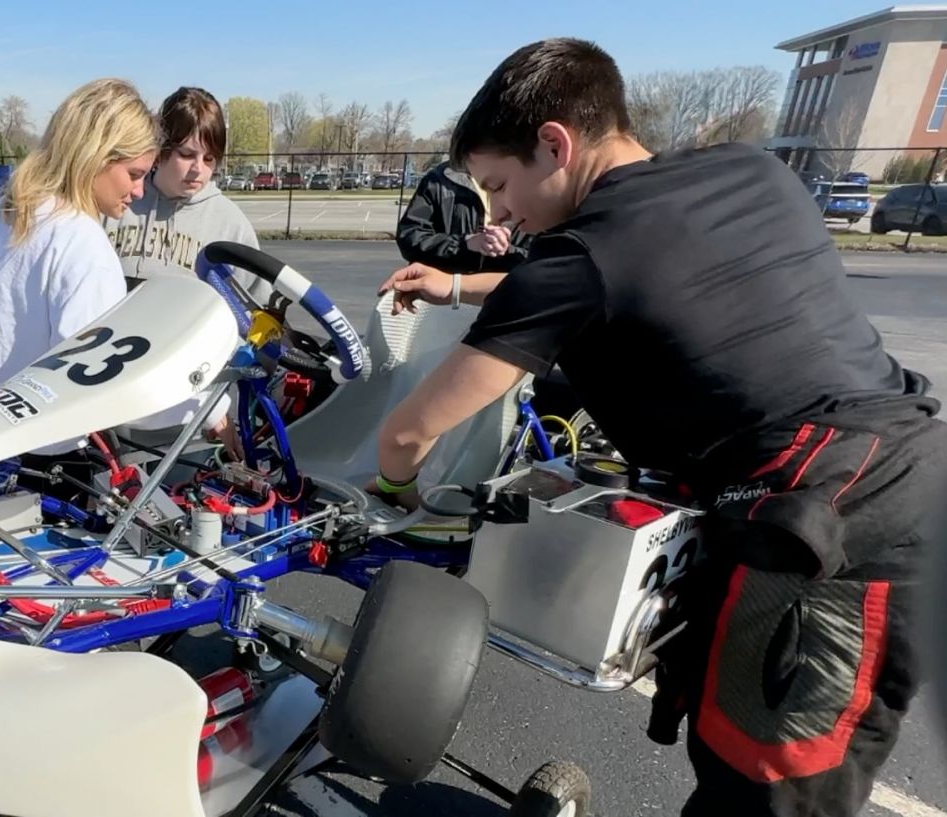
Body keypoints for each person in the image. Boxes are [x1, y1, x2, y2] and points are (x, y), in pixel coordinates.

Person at [371, 38, 945, 817]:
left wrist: (397, 490)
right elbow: (632, 277)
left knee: (766, 794)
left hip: (826, 527)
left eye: (501, 185)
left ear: (555, 144)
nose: (500, 212)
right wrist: (455, 287)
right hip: (903, 471)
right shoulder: (752, 172)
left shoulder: (581, 258)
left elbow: (408, 434)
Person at [0, 78, 238, 458]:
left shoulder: (6, 210)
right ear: (94, 156)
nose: (139, 191)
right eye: (134, 174)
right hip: (44, 450)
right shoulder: (80, 239)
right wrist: (210, 409)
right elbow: (106, 387)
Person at [103, 86, 268, 303]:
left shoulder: (233, 227)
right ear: (162, 149)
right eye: (187, 155)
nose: (198, 168)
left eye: (209, 158)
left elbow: (256, 315)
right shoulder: (116, 203)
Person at [394, 158, 530, 273]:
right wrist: (465, 243)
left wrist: (506, 250)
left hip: (510, 292)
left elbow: (545, 255)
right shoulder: (438, 181)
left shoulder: (529, 179)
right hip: (446, 295)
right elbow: (409, 238)